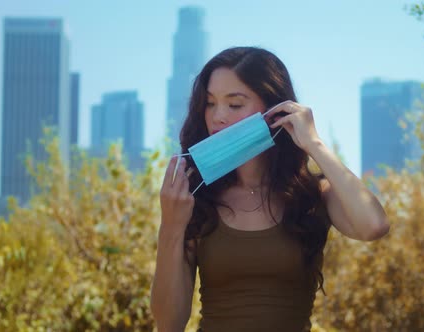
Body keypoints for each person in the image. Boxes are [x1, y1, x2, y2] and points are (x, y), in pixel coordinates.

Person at [150, 46, 389, 332]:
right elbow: (168, 323)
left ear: (274, 110)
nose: (218, 117)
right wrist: (171, 228)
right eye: (210, 103)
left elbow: (373, 225)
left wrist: (314, 143)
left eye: (235, 104)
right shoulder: (197, 200)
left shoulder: (312, 195)